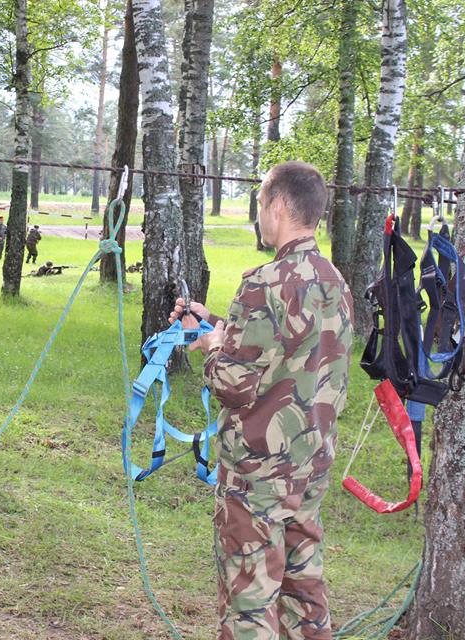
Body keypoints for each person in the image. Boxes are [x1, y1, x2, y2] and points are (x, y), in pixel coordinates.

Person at [171, 161, 353, 640]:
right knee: (304, 591)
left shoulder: (264, 282)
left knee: (250, 600)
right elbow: (289, 350)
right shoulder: (336, 281)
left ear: (277, 206)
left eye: (260, 205)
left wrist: (209, 346)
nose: (259, 216)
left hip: (258, 476)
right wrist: (210, 320)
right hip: (309, 466)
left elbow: (233, 383)